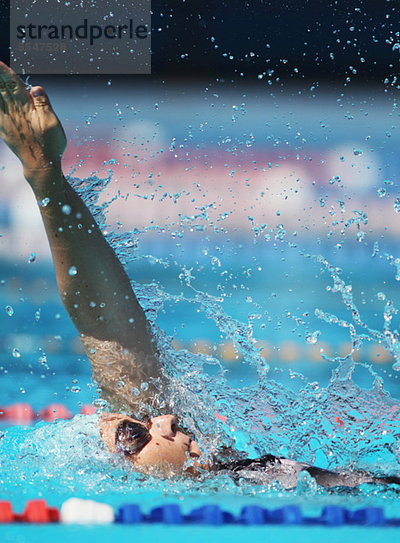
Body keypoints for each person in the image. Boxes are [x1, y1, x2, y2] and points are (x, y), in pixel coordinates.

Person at [0, 61, 399, 488]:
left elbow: (105, 323)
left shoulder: (226, 476)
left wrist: (44, 173)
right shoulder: (251, 484)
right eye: (136, 435)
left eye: (138, 427)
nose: (167, 419)